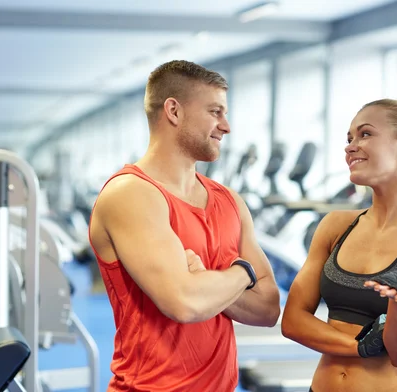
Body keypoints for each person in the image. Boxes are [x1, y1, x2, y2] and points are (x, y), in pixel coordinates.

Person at [88, 60, 281, 392]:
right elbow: (184, 303)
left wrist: (205, 280)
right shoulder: (131, 195)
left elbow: (268, 309)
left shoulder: (230, 201)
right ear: (174, 111)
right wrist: (243, 272)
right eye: (215, 112)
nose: (226, 126)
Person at [280, 98, 397, 392]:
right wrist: (362, 347)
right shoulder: (336, 226)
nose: (350, 146)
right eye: (349, 138)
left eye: (365, 134)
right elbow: (293, 321)